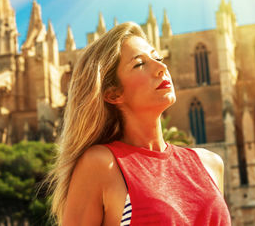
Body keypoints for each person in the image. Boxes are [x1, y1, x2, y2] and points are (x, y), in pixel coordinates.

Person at [48, 22, 231, 226]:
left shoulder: (211, 164)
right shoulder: (101, 165)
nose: (162, 67)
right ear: (113, 93)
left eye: (158, 57)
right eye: (140, 64)